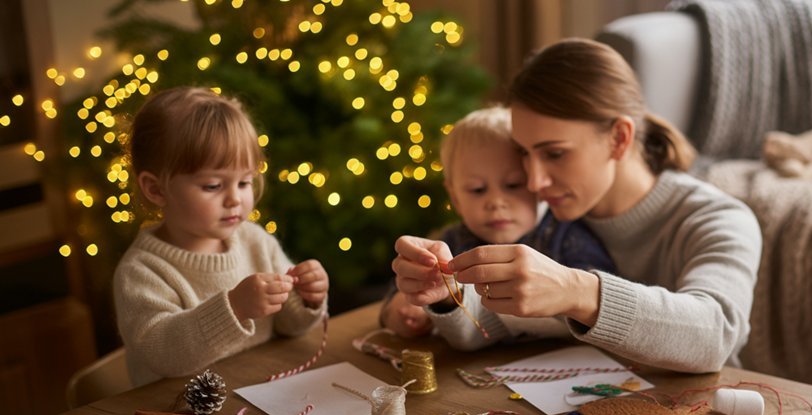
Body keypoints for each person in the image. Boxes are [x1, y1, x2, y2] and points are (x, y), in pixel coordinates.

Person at [392, 39, 762, 373]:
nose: (534, 182)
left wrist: (577, 291)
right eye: (525, 153)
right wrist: (445, 297)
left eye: (555, 153)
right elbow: (492, 324)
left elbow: (716, 336)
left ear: (618, 138)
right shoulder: (542, 219)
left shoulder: (718, 218)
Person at [114, 87, 328, 387]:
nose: (234, 199)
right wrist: (235, 308)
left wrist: (305, 298)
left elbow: (289, 327)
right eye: (213, 186)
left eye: (244, 182)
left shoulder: (255, 241)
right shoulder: (143, 271)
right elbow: (163, 354)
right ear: (156, 189)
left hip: (259, 396)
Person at [381, 105, 616, 346]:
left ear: (537, 185)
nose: (495, 202)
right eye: (477, 190)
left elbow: (597, 302)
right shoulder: (451, 244)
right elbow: (395, 302)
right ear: (455, 198)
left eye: (513, 185)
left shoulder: (565, 235)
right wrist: (409, 307)